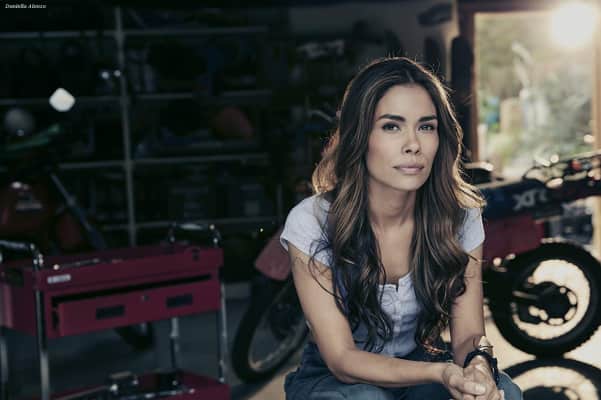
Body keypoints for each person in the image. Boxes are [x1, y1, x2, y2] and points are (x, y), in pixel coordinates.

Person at [280, 57, 523, 400]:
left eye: (426, 127)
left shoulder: (461, 216)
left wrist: (478, 366)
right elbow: (341, 359)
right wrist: (440, 373)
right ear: (359, 136)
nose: (413, 144)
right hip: (335, 378)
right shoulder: (312, 222)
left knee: (503, 392)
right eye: (392, 127)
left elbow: (469, 335)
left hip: (422, 362)